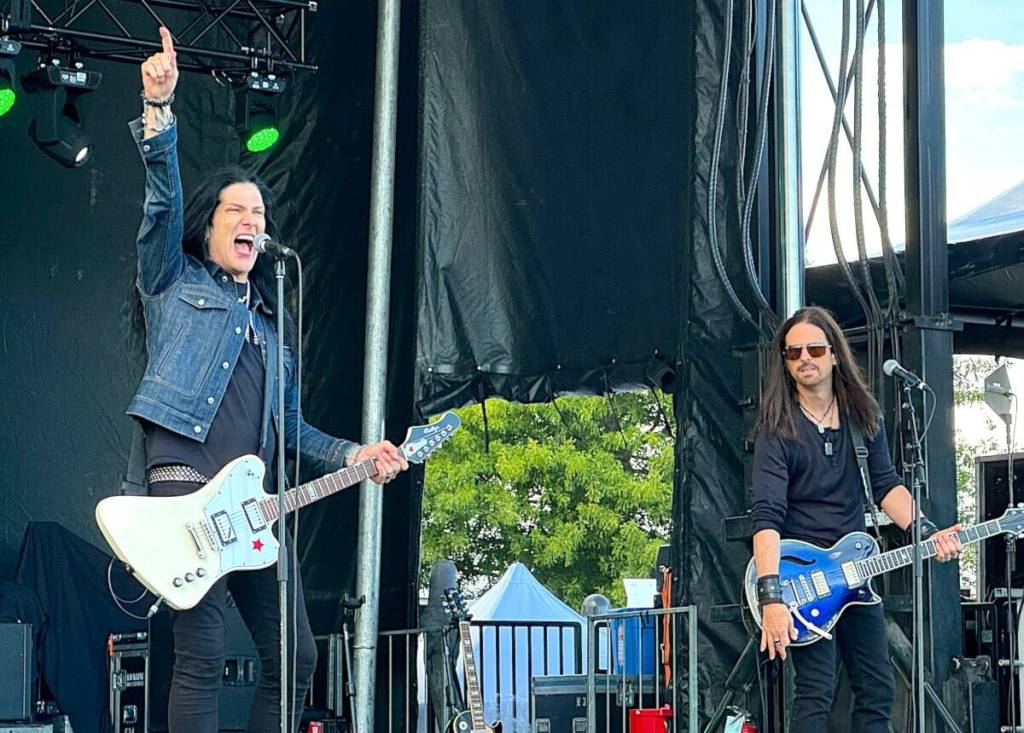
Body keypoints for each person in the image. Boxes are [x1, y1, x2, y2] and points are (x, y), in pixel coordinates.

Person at [127, 27, 409, 733]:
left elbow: (293, 427)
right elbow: (161, 202)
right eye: (238, 212)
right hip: (183, 485)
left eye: (260, 214)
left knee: (297, 656)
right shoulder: (174, 281)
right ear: (211, 228)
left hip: (248, 508)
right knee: (202, 650)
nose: (253, 220)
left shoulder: (272, 329)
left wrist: (356, 454)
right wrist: (159, 110)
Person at [749, 306, 961, 732]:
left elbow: (887, 487)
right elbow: (766, 516)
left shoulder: (864, 419)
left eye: (813, 348)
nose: (804, 358)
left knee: (878, 688)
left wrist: (927, 531)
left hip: (854, 571)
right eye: (793, 353)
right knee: (816, 691)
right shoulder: (777, 429)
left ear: (834, 355)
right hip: (800, 580)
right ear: (786, 364)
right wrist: (771, 596)